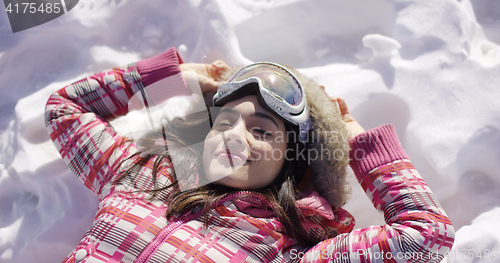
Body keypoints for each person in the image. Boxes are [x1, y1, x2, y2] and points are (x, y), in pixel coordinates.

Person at [45, 47, 454, 262]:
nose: (233, 137)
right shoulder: (136, 177)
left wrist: (359, 143)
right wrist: (168, 79)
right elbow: (64, 109)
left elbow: (427, 237)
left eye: (260, 130)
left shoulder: (288, 253)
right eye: (223, 123)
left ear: (292, 159)